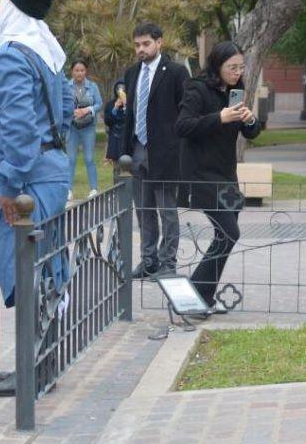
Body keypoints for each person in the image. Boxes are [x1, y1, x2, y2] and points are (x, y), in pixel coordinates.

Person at [0, 0, 72, 397]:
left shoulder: (12, 57)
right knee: (46, 263)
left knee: (24, 267)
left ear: (12, 11)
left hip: (23, 178)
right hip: (48, 169)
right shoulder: (46, 53)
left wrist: (10, 180)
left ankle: (33, 368)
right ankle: (43, 360)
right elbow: (65, 107)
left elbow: (18, 127)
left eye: (0, 6)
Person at [176, 42, 260, 311]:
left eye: (240, 67)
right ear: (217, 66)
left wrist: (249, 120)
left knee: (224, 236)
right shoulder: (196, 88)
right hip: (201, 173)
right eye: (231, 67)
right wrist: (219, 117)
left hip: (226, 174)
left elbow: (250, 133)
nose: (237, 73)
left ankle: (202, 298)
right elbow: (183, 126)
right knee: (229, 232)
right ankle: (192, 296)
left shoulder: (236, 91)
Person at [120, 22, 188, 277]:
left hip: (165, 153)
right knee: (144, 209)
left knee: (167, 211)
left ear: (159, 42)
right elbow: (130, 114)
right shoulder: (131, 73)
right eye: (137, 45)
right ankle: (148, 261)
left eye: (146, 44)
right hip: (137, 150)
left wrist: (178, 146)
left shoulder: (176, 72)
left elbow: (186, 112)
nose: (141, 49)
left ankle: (167, 262)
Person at [66, 59, 102, 198]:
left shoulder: (93, 87)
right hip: (72, 127)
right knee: (71, 159)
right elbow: (62, 103)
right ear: (72, 71)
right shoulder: (66, 86)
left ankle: (93, 188)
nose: (79, 73)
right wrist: (72, 111)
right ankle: (69, 190)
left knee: (89, 158)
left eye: (82, 70)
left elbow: (99, 104)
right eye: (76, 70)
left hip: (88, 128)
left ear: (86, 72)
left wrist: (88, 109)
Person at [103, 80, 129, 163]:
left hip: (126, 136)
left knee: (128, 163)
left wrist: (125, 106)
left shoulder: (131, 103)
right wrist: (115, 108)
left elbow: (130, 119)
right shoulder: (110, 104)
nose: (121, 90)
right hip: (115, 136)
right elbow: (107, 121)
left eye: (123, 88)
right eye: (118, 88)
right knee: (116, 164)